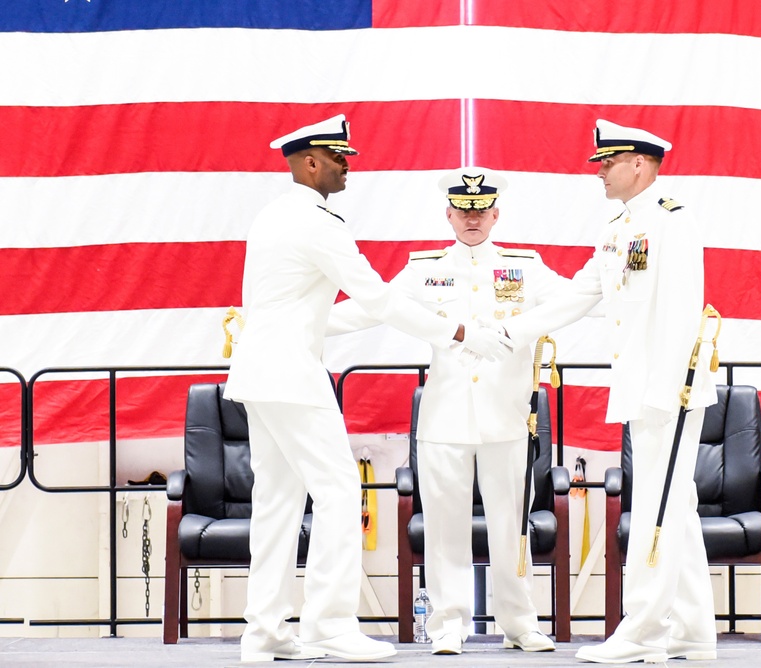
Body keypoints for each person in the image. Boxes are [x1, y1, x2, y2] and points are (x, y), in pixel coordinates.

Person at [222, 115, 511, 663]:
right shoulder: (316, 222)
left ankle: (263, 632)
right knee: (336, 492)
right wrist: (459, 331)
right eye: (338, 158)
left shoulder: (273, 215)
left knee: (278, 502)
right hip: (291, 375)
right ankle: (328, 625)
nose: (347, 165)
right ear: (310, 163)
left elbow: (300, 309)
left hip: (260, 373)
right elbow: (377, 299)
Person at [499, 119, 719, 663]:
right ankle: (694, 632)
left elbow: (681, 312)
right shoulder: (619, 227)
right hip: (643, 387)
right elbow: (581, 293)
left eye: (608, 161)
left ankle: (643, 632)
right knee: (677, 505)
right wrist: (510, 332)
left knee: (655, 508)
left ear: (639, 164)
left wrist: (666, 390)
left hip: (667, 391)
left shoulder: (673, 221)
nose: (599, 170)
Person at [325, 166, 569, 655]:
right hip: (445, 420)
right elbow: (374, 307)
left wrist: (641, 300)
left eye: (481, 211)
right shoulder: (424, 269)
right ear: (449, 214)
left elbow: (576, 300)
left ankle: (520, 623)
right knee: (444, 531)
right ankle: (447, 625)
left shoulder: (525, 267)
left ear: (496, 214)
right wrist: (300, 324)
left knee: (511, 526)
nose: (472, 218)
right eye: (463, 210)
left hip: (505, 418)